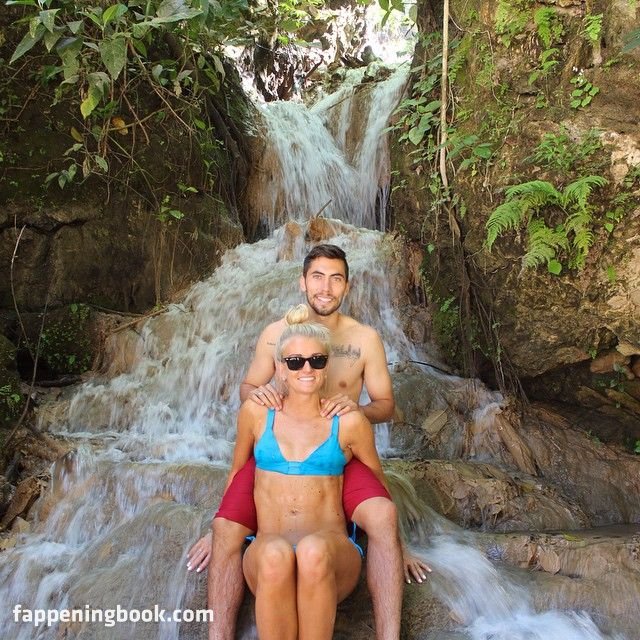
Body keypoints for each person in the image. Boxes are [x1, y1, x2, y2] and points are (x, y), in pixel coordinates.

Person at [187, 244, 431, 640]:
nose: (325, 287)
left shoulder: (364, 338)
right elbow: (248, 388)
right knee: (225, 527)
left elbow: (386, 405)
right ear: (303, 282)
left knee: (383, 515)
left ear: (347, 286)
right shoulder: (276, 334)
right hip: (280, 440)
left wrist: (352, 410)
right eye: (317, 277)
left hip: (341, 445)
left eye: (336, 279)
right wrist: (261, 394)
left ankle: (391, 595)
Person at [234, 307, 386, 639]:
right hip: (267, 549)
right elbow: (237, 478)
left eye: (317, 360)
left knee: (312, 550)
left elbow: (378, 489)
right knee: (274, 554)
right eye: (295, 362)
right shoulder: (256, 413)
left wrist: (400, 546)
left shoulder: (349, 421)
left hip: (331, 553)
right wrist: (217, 534)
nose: (307, 368)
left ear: (326, 366)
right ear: (279, 369)